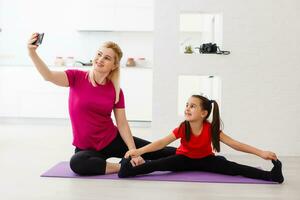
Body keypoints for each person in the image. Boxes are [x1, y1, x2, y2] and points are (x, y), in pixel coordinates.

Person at [27, 33, 175, 175]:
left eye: (107, 58)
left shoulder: (116, 90)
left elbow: (122, 123)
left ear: (114, 65)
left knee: (162, 152)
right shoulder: (76, 77)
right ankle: (123, 166)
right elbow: (48, 76)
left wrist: (133, 151)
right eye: (99, 54)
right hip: (86, 148)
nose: (100, 59)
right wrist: (32, 52)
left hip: (111, 139)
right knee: (77, 163)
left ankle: (194, 157)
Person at [118, 95, 284, 183]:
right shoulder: (184, 127)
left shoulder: (211, 129)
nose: (187, 108)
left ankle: (271, 176)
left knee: (235, 168)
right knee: (156, 166)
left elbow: (236, 144)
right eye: (187, 105)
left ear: (204, 113)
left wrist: (261, 152)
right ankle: (128, 170)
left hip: (206, 160)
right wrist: (137, 151)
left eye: (192, 106)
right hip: (182, 159)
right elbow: (161, 142)